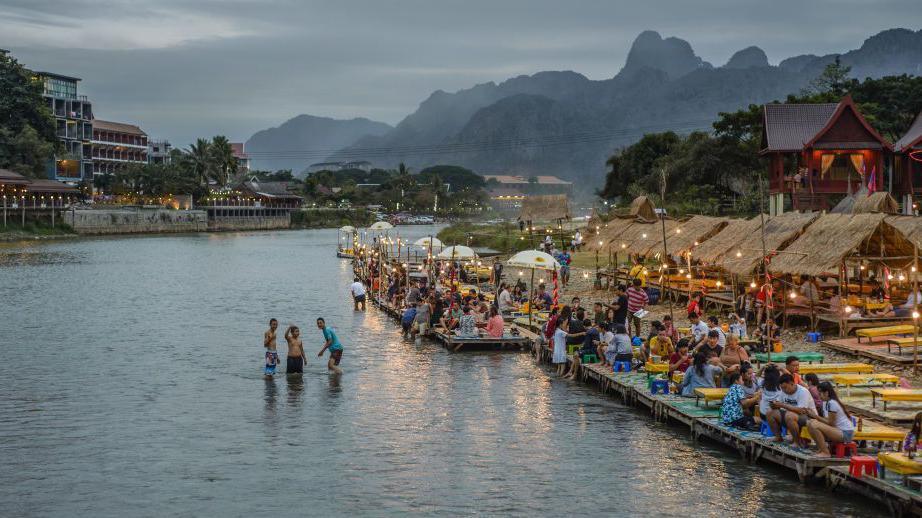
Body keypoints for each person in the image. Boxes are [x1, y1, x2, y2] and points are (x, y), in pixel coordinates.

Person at [806, 382, 855, 457]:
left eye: (820, 394)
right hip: (838, 430)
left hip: (845, 433)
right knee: (810, 423)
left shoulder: (832, 403)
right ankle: (821, 449)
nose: (819, 397)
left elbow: (831, 423)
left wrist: (815, 416)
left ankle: (826, 452)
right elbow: (827, 420)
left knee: (814, 424)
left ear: (826, 393)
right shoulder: (827, 402)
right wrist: (814, 417)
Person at [767, 373, 817, 444]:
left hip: (808, 417)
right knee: (769, 412)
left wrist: (783, 405)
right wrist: (774, 405)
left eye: (785, 387)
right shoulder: (783, 391)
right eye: (782, 388)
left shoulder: (803, 391)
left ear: (792, 383)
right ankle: (778, 437)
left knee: (789, 415)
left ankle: (796, 442)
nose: (784, 390)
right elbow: (779, 403)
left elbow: (801, 411)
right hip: (791, 415)